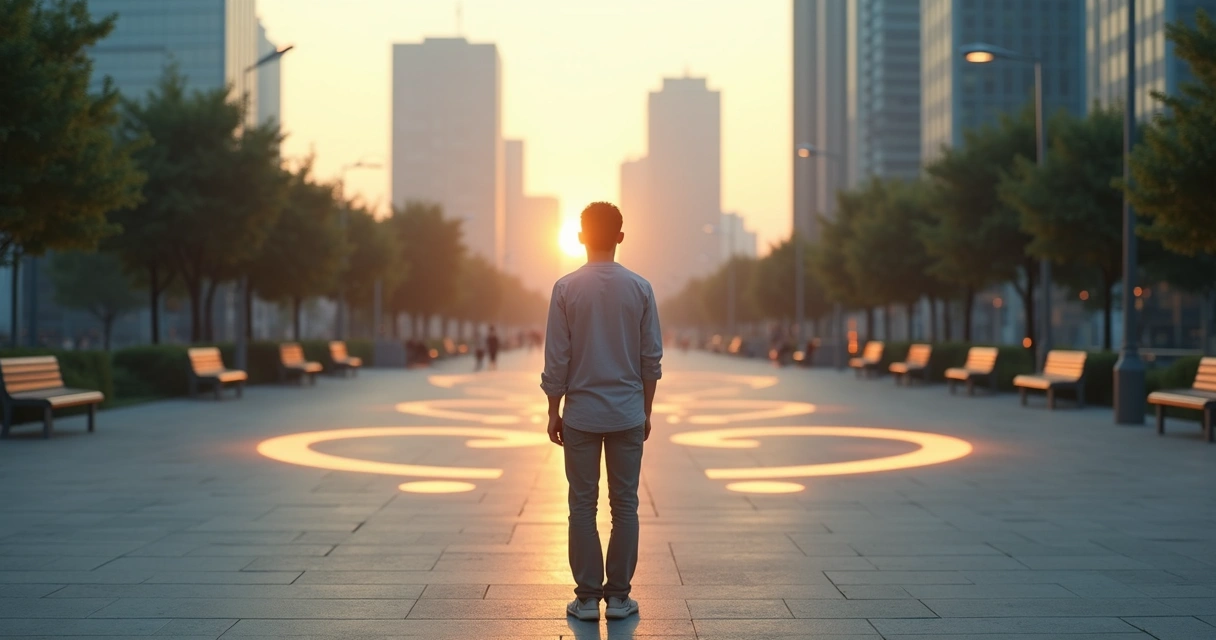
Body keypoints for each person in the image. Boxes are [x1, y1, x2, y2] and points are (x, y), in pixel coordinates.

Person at [540, 201, 662, 622]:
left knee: (582, 505)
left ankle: (588, 599)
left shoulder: (565, 289)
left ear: (580, 237)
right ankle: (620, 598)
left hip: (581, 415)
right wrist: (646, 410)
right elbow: (651, 359)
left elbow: (557, 358)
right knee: (625, 505)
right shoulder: (641, 288)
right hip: (627, 413)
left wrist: (553, 409)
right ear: (620, 237)